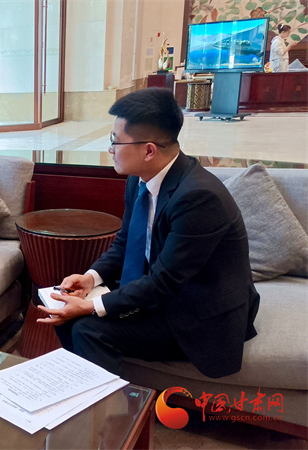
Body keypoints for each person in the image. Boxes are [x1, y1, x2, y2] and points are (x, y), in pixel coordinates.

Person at [37, 88, 259, 379]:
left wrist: (90, 306)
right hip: (161, 290)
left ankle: (116, 405)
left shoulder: (199, 198)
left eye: (115, 141)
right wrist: (91, 277)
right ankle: (88, 390)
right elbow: (125, 243)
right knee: (65, 313)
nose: (110, 149)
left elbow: (165, 281)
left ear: (149, 150)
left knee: (89, 328)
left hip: (196, 312)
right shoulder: (140, 178)